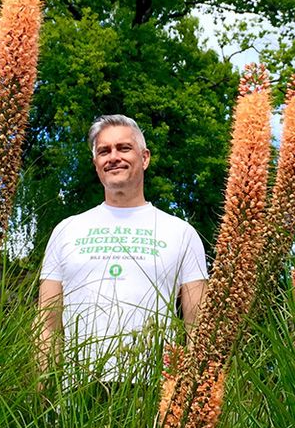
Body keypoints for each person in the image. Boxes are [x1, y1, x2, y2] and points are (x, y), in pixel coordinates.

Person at [37, 115, 208, 383]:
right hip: (75, 397)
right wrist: (43, 394)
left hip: (153, 392)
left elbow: (197, 325)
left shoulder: (180, 232)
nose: (113, 157)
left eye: (124, 148)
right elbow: (47, 324)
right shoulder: (67, 230)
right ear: (96, 165)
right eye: (104, 151)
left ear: (145, 158)